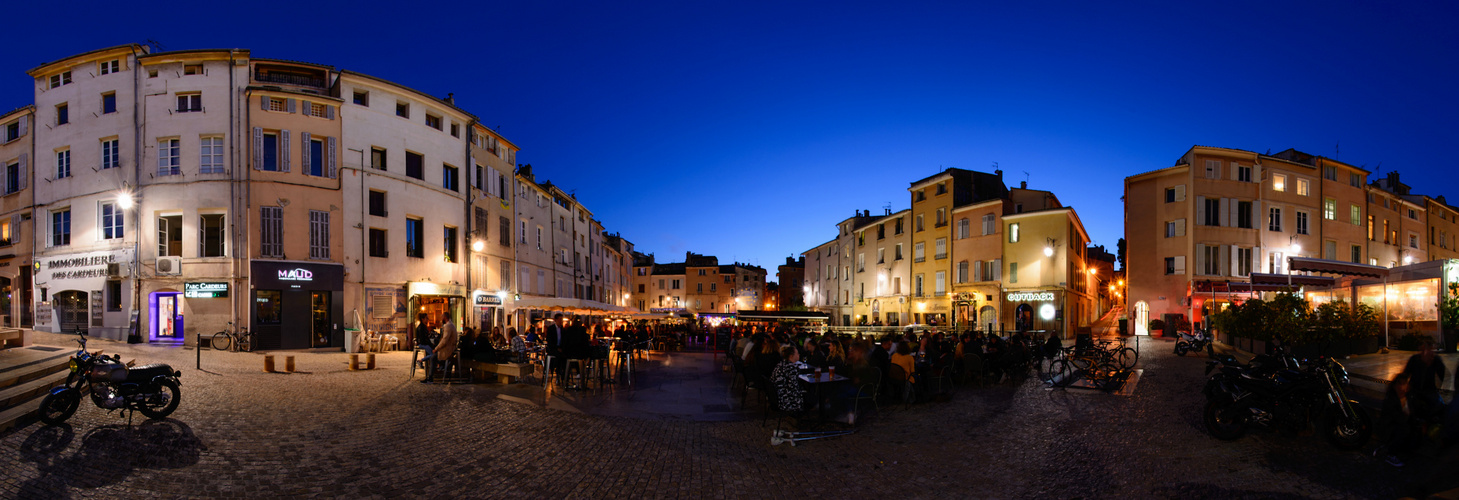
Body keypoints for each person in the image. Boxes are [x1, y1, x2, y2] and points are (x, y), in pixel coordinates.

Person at [1401, 338, 1448, 423]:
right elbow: (1406, 374)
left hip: (1430, 390)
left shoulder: (1435, 360)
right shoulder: (1414, 359)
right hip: (1415, 391)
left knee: (1439, 409)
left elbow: (1443, 375)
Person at [1375, 373, 1417, 467]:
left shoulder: (1408, 397)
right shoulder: (1391, 399)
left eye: (1404, 384)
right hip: (1390, 428)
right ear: (1395, 386)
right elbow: (1395, 418)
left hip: (1401, 426)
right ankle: (1390, 454)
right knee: (1404, 430)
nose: (1402, 387)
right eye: (1400, 384)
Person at [770, 345, 806, 413]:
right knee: (812, 397)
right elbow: (793, 387)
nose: (799, 355)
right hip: (787, 400)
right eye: (797, 353)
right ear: (791, 356)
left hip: (777, 397)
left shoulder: (780, 365)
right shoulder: (792, 368)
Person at [424, 313, 458, 383]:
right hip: (448, 348)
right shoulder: (451, 325)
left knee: (433, 357)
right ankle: (438, 370)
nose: (441, 319)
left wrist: (436, 348)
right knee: (433, 356)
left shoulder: (448, 326)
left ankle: (430, 377)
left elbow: (444, 340)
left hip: (448, 349)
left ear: (445, 317)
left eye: (442, 317)